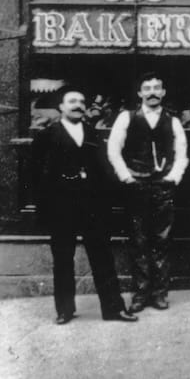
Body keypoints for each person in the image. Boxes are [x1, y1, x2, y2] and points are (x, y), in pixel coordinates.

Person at [31, 86, 138, 325]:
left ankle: (114, 308)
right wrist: (44, 208)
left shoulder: (92, 133)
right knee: (63, 258)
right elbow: (35, 175)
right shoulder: (47, 135)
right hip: (61, 206)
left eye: (81, 101)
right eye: (72, 102)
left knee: (103, 257)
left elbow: (103, 170)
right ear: (61, 107)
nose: (78, 105)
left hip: (92, 205)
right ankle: (64, 310)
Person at [107, 71, 188, 312]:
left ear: (163, 92)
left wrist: (173, 178)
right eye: (147, 88)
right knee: (138, 240)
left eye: (157, 88)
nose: (152, 92)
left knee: (162, 240)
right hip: (136, 187)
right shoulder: (127, 117)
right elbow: (113, 149)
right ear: (140, 93)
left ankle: (160, 293)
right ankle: (141, 294)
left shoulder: (173, 120)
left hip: (163, 187)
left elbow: (182, 153)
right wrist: (126, 177)